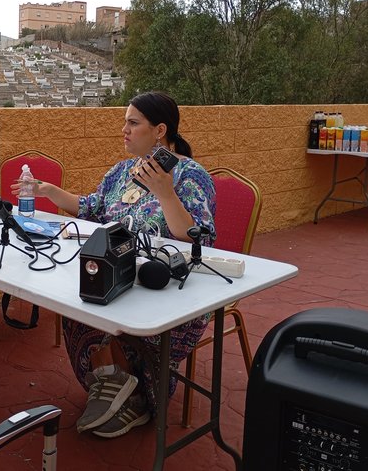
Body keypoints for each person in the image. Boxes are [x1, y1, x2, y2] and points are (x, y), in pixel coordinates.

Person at [12, 91, 216, 438]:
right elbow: (91, 207)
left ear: (160, 130)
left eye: (133, 123)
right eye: (125, 121)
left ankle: (134, 394)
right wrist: (49, 191)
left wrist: (166, 193)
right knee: (79, 297)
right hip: (117, 273)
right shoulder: (122, 172)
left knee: (103, 306)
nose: (124, 129)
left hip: (163, 285)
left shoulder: (189, 176)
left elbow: (197, 239)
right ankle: (117, 385)